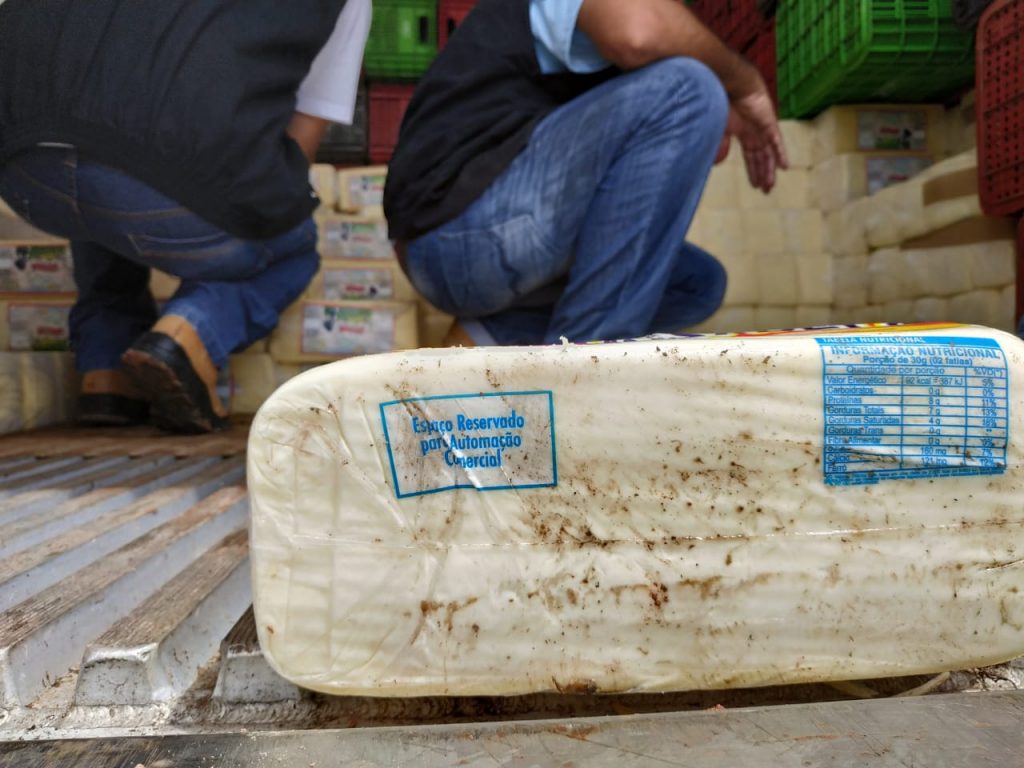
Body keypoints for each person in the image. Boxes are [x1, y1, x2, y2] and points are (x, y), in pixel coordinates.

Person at [0, 0, 370, 433]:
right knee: (291, 244)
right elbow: (299, 147)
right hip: (153, 178)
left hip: (22, 170)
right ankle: (189, 333)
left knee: (104, 156)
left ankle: (106, 369)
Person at [385, 0, 787, 347]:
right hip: (452, 233)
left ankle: (491, 332)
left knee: (698, 284)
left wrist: (714, 107)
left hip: (474, 250)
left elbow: (699, 145)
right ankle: (584, 372)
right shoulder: (628, 27)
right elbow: (639, 32)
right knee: (689, 90)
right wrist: (744, 82)